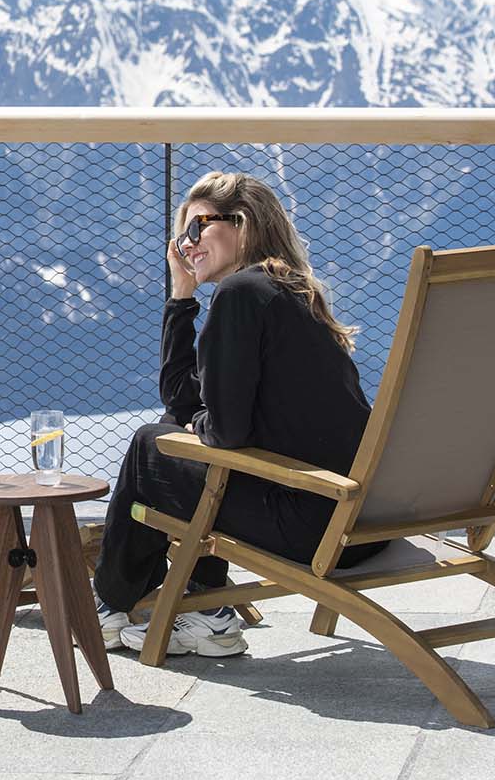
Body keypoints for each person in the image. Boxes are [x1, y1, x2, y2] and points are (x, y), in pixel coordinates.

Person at [91, 172, 382, 657]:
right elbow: (185, 401)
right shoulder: (289, 292)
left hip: (312, 525)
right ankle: (205, 609)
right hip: (362, 522)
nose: (186, 245)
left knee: (151, 444)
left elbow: (222, 430)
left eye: (198, 227)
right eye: (182, 234)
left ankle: (112, 601)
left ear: (242, 223)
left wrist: (197, 426)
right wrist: (182, 296)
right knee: (170, 434)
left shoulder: (242, 295)